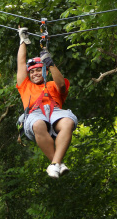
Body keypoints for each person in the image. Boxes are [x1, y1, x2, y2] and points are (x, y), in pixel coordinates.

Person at [16, 27, 78, 179]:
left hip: (55, 112)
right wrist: (22, 41)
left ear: (45, 71)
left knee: (68, 122)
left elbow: (62, 86)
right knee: (38, 124)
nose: (35, 73)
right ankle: (57, 163)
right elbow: (21, 62)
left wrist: (49, 63)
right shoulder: (25, 86)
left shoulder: (52, 84)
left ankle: (55, 164)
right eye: (32, 72)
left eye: (38, 70)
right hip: (35, 114)